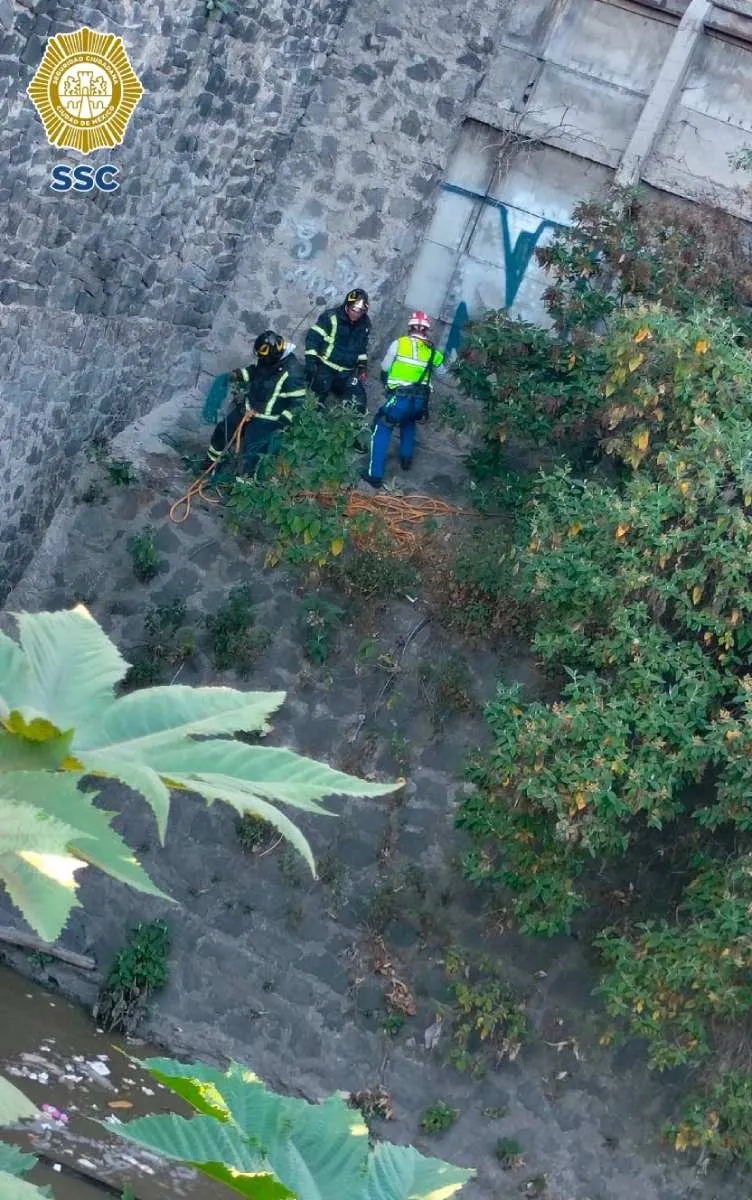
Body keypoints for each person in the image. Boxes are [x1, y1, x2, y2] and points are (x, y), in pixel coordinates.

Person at [361, 311, 447, 489]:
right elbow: (442, 374)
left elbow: (385, 366)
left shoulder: (399, 344)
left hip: (400, 397)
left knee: (382, 427)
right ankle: (406, 459)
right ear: (426, 330)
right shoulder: (433, 352)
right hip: (420, 401)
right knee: (408, 422)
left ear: (410, 327)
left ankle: (375, 475)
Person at [205, 331, 307, 474]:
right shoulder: (267, 360)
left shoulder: (293, 371)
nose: (260, 359)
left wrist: (283, 422)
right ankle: (211, 464)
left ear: (273, 355)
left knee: (252, 453)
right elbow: (256, 372)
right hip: (248, 409)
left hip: (267, 420)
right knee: (223, 430)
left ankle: (244, 483)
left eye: (263, 356)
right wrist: (238, 375)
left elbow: (298, 402)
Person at [305, 287, 371, 413]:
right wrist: (311, 362)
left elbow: (361, 348)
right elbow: (313, 338)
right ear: (348, 305)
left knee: (358, 400)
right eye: (354, 310)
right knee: (314, 402)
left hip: (347, 372)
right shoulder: (331, 317)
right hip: (325, 367)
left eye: (361, 311)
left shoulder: (365, 324)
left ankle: (349, 423)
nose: (356, 314)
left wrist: (362, 367)